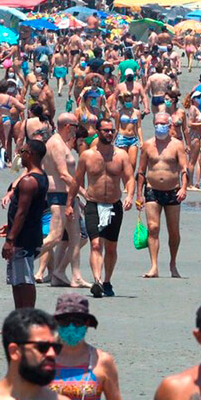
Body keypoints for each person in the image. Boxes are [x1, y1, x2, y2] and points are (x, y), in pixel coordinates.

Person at [50, 293, 138, 400]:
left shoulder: (102, 361)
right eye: (65, 322)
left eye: (77, 322)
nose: (71, 327)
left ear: (87, 324)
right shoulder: (45, 359)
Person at [66, 118, 135, 298]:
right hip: (93, 204)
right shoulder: (87, 156)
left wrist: (130, 195)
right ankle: (96, 281)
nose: (110, 133)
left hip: (114, 205)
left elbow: (130, 178)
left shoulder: (121, 155)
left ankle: (107, 281)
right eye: (106, 130)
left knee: (111, 247)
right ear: (97, 132)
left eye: (112, 131)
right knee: (95, 244)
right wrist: (69, 203)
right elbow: (76, 180)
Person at [136, 112, 188, 279]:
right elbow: (141, 171)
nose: (160, 126)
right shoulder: (147, 145)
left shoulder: (177, 145)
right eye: (157, 123)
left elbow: (184, 169)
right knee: (153, 228)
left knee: (173, 231)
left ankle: (173, 263)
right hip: (152, 190)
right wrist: (138, 194)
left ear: (170, 124)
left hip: (173, 190)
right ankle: (154, 265)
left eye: (163, 123)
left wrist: (184, 188)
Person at [40, 113, 89, 288]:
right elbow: (63, 174)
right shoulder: (56, 144)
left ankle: (70, 274)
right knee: (54, 237)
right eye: (75, 127)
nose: (76, 132)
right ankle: (22, 258)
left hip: (68, 196)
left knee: (77, 237)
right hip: (58, 195)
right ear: (68, 127)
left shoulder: (61, 143)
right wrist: (83, 191)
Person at [0, 139, 48, 310]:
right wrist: (10, 226)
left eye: (23, 151)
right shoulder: (40, 177)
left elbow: (22, 212)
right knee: (17, 279)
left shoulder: (29, 181)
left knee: (25, 279)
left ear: (31, 155)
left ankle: (27, 318)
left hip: (24, 238)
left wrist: (10, 239)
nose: (19, 154)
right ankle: (20, 317)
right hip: (26, 233)